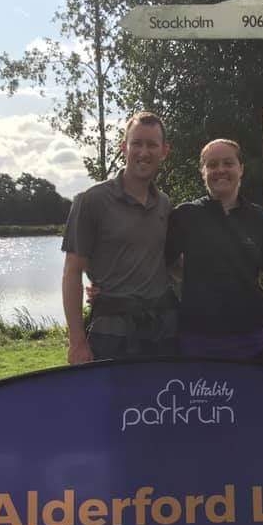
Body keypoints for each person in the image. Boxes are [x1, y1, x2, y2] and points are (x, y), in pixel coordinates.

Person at [165, 139, 263, 362]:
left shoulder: (258, 218)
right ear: (203, 171)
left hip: (253, 343)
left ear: (241, 169)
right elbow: (159, 264)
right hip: (198, 343)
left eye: (228, 163)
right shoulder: (185, 215)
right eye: (212, 165)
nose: (220, 170)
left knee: (254, 399)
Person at [61, 111, 177, 364]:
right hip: (110, 333)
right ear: (124, 146)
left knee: (162, 402)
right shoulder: (90, 201)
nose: (143, 152)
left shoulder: (165, 204)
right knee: (110, 403)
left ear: (164, 151)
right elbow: (72, 273)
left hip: (162, 329)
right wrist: (77, 342)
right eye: (137, 143)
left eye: (152, 145)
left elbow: (168, 265)